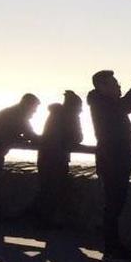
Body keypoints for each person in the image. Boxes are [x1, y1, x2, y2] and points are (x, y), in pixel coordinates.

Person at [87, 70, 131, 262]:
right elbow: (126, 105)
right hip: (113, 162)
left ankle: (112, 246)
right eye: (114, 83)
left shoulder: (105, 103)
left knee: (114, 205)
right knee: (113, 206)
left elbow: (125, 105)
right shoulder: (103, 105)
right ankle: (112, 247)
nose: (118, 86)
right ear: (102, 87)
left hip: (114, 161)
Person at [0, 94, 40, 220]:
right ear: (28, 105)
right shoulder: (19, 116)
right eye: (34, 108)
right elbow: (31, 136)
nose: (34, 112)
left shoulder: (10, 113)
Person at [33, 90, 83, 226]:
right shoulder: (70, 117)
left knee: (45, 188)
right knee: (55, 190)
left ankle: (42, 220)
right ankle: (49, 221)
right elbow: (78, 137)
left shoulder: (53, 115)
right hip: (58, 158)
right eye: (80, 107)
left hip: (44, 156)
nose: (81, 110)